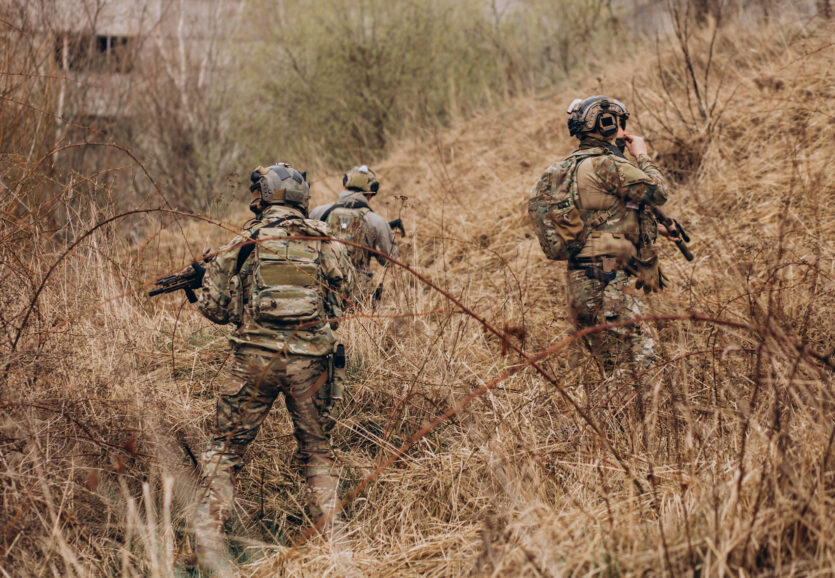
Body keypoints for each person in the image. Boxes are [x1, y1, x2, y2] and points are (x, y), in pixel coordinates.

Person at [193, 163, 356, 567]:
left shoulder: (245, 241)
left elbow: (216, 310)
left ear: (263, 197)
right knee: (317, 452)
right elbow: (349, 296)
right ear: (301, 199)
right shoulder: (323, 239)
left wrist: (227, 300)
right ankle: (335, 545)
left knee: (225, 450)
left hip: (253, 361)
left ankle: (206, 546)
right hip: (311, 365)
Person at [528, 95, 673, 377]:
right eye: (620, 124)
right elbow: (659, 191)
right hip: (608, 288)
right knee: (637, 375)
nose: (624, 132)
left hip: (582, 285)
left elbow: (600, 217)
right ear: (605, 124)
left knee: (616, 370)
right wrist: (641, 154)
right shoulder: (607, 165)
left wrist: (654, 228)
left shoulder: (566, 168)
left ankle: (614, 420)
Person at [309, 165, 398, 303]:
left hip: (323, 291)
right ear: (370, 194)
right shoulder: (376, 221)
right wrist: (382, 233)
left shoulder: (318, 212)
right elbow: (389, 260)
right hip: (358, 296)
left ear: (345, 187)